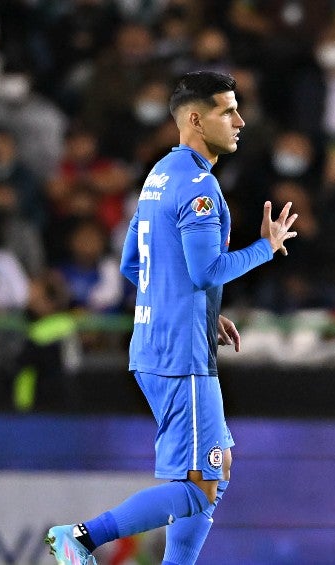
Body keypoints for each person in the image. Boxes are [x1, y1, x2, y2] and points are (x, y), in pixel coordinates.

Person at [45, 71, 298, 565]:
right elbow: (205, 271)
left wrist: (203, 313)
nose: (240, 121)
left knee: (211, 472)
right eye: (229, 111)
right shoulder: (198, 186)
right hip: (181, 355)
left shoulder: (160, 174)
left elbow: (132, 264)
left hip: (157, 344)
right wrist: (265, 249)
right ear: (196, 119)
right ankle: (80, 536)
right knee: (203, 486)